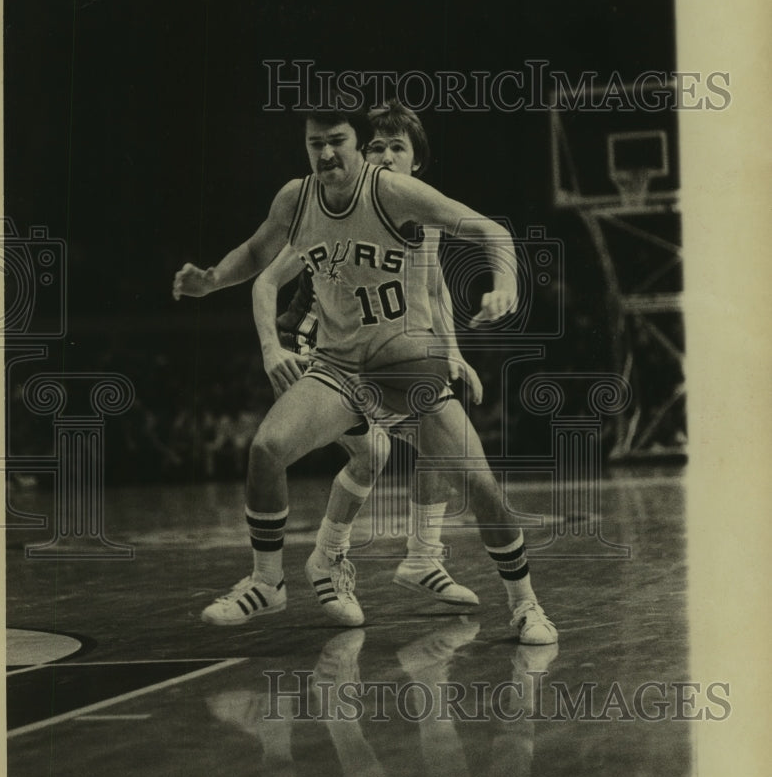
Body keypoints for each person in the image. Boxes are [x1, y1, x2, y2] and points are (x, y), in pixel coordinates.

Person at [173, 100, 557, 645]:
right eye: (315, 144)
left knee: (481, 487)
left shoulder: (392, 192)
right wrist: (211, 280)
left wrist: (506, 287)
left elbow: (491, 233)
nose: (326, 153)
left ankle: (524, 605)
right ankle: (267, 581)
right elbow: (258, 252)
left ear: (357, 144)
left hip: (406, 369)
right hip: (340, 367)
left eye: (337, 141)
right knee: (266, 449)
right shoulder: (297, 197)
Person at [252, 101, 481, 610]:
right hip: (316, 346)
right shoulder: (342, 203)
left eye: (396, 148)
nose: (384, 155)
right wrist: (272, 348)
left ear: (416, 161)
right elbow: (267, 275)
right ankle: (324, 560)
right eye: (375, 146)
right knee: (377, 452)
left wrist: (453, 352)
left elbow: (433, 287)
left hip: (373, 354)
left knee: (434, 426)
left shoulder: (419, 210)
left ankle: (420, 556)